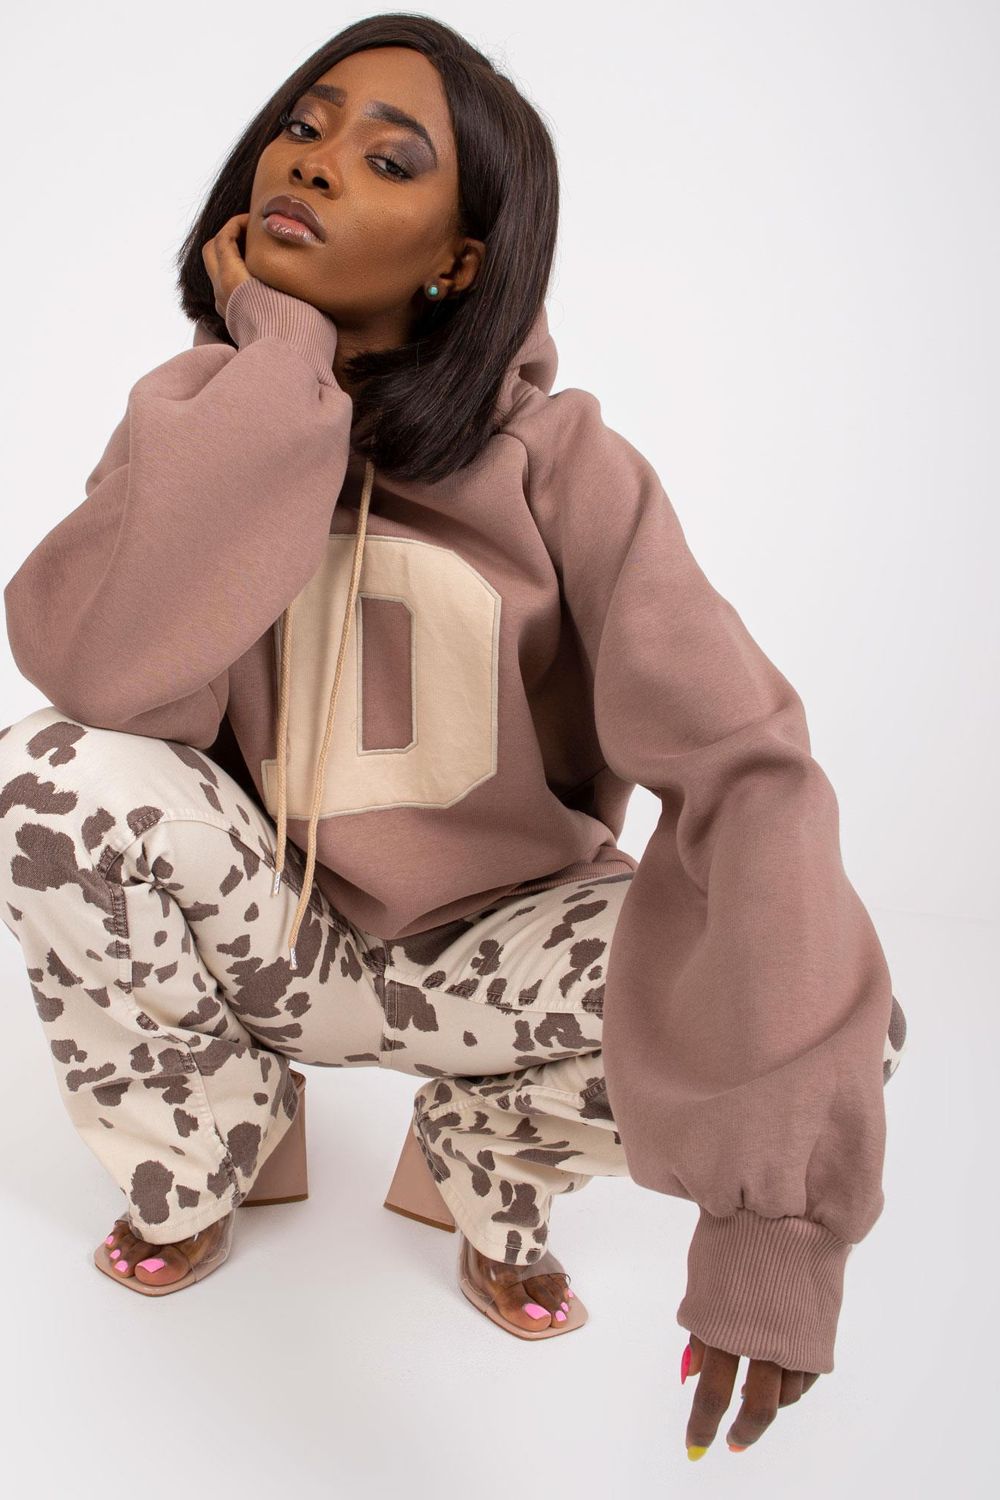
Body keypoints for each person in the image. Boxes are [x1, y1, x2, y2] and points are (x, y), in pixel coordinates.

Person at [0, 12, 907, 1458]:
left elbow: (750, 771)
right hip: (274, 935)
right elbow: (108, 681)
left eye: (388, 158)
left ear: (460, 261)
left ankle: (489, 1156)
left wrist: (778, 1228)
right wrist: (276, 365)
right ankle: (212, 1139)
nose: (314, 163)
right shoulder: (198, 413)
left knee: (823, 986)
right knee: (44, 775)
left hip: (493, 952)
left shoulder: (567, 464)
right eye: (304, 125)